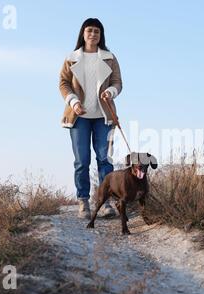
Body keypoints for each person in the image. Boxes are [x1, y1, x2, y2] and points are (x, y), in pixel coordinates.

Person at [59, 18, 122, 219]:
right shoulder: (71, 58)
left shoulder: (109, 57)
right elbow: (63, 83)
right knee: (82, 160)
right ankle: (83, 201)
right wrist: (73, 102)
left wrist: (111, 92)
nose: (93, 34)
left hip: (104, 117)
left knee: (105, 159)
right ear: (83, 34)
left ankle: (106, 203)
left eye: (96, 31)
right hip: (79, 118)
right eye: (89, 31)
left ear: (101, 35)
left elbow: (117, 82)